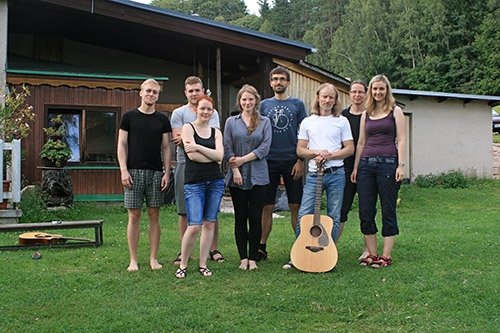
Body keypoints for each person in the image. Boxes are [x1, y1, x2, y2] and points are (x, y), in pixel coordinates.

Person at [351, 74, 406, 268]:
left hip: (388, 164)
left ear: (387, 90)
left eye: (381, 89)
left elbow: (401, 139)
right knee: (366, 210)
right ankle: (372, 254)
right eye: (374, 89)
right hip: (366, 165)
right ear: (370, 91)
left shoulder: (395, 111)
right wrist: (356, 167)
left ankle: (386, 255)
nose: (378, 92)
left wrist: (401, 165)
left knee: (388, 209)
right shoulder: (367, 113)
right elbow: (361, 142)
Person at [117, 79, 172, 271]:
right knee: (134, 216)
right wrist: (123, 170)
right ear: (141, 93)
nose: (151, 95)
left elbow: (166, 147)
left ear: (158, 95)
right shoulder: (129, 117)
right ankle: (133, 260)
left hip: (156, 173)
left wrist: (166, 172)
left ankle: (153, 259)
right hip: (132, 172)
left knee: (154, 216)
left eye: (155, 92)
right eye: (148, 91)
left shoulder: (162, 119)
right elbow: (121, 145)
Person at [171, 76, 225, 264]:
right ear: (186, 93)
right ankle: (185, 251)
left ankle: (214, 249)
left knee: (212, 213)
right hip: (185, 165)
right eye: (191, 91)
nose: (194, 93)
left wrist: (196, 146)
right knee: (184, 212)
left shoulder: (213, 112)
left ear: (203, 91)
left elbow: (214, 142)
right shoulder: (178, 113)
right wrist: (206, 150)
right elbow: (180, 141)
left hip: (211, 168)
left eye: (197, 90)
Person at [258, 67, 307, 265]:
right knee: (266, 206)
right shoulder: (263, 105)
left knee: (295, 205)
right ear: (270, 83)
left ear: (288, 83)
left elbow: (305, 133)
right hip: (268, 161)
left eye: (282, 79)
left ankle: (300, 245)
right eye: (275, 79)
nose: (278, 82)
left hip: (292, 160)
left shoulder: (297, 104)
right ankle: (261, 247)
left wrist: (300, 160)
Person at [295, 83, 354, 244]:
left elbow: (350, 149)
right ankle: (300, 254)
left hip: (337, 174)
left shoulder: (342, 121)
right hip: (314, 175)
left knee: (334, 215)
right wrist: (317, 153)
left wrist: (330, 156)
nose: (327, 100)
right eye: (324, 96)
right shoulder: (308, 121)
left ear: (335, 100)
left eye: (331, 97)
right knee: (304, 214)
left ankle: (329, 253)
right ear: (318, 98)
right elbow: (300, 150)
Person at [224, 85, 272, 270]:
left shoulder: (265, 122)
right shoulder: (231, 122)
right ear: (239, 101)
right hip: (237, 177)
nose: (247, 103)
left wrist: (242, 160)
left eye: (250, 99)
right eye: (244, 99)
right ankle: (243, 257)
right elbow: (227, 147)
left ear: (256, 101)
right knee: (240, 217)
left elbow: (264, 148)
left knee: (255, 217)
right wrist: (235, 169)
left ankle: (253, 258)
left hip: (259, 175)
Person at [337, 80, 369, 259]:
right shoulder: (341, 117)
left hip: (367, 167)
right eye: (354, 92)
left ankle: (367, 249)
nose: (357, 95)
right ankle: (331, 246)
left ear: (365, 94)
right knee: (341, 209)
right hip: (345, 168)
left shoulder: (371, 115)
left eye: (361, 92)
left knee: (366, 209)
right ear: (349, 94)